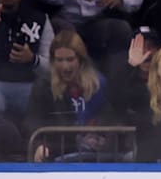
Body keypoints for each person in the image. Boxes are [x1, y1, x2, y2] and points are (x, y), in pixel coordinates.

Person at [25, 30, 110, 162]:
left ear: (81, 59)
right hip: (58, 154)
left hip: (96, 157)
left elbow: (110, 118)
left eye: (70, 59)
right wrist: (39, 145)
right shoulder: (44, 86)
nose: (65, 66)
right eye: (60, 60)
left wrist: (102, 138)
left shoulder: (99, 84)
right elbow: (32, 122)